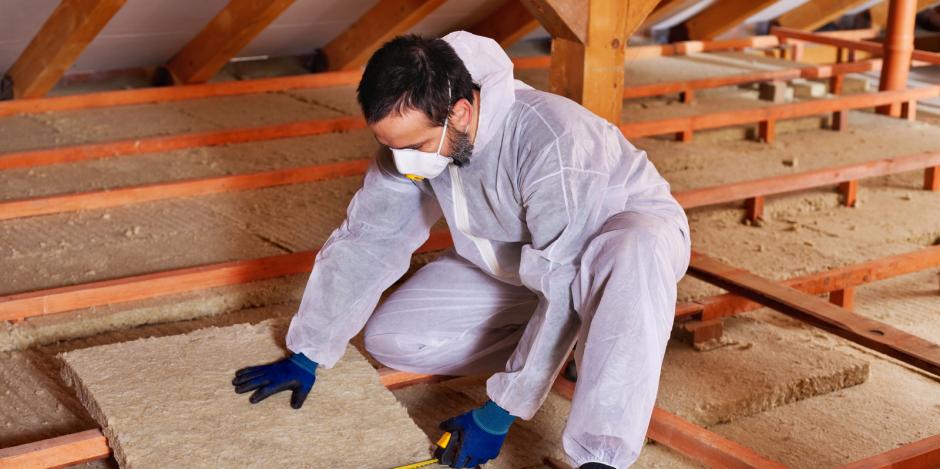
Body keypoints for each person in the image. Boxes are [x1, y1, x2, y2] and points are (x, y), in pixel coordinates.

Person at [232, 31, 690, 469]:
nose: (406, 162)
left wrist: (500, 409)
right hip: (516, 266)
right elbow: (369, 239)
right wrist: (310, 349)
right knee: (392, 338)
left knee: (630, 250)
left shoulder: (553, 138)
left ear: (463, 112)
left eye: (416, 146)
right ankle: (563, 345)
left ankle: (601, 454)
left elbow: (564, 274)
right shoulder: (413, 141)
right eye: (393, 147)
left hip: (611, 251)